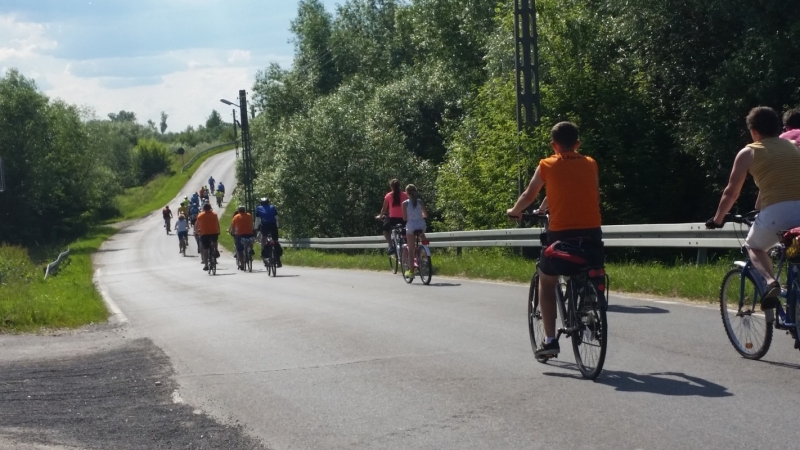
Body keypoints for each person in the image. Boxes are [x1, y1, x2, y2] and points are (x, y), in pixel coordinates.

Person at [507, 121, 602, 358]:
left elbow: (529, 194)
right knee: (588, 265)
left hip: (561, 234)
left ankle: (549, 340)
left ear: (553, 145)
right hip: (592, 233)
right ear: (577, 144)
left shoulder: (547, 164)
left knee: (547, 280)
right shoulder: (590, 163)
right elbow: (587, 193)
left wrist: (515, 211)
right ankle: (587, 295)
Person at [707, 106, 800, 308]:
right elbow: (779, 181)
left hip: (777, 213)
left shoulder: (749, 152)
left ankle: (771, 282)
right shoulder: (794, 146)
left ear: (754, 131)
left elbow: (731, 193)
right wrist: (760, 207)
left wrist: (718, 219)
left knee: (754, 247)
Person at [402, 184, 428, 277]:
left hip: (411, 227)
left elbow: (405, 218)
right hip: (421, 225)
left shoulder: (405, 203)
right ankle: (426, 253)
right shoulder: (420, 201)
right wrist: (420, 216)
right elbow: (426, 215)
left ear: (406, 193)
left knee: (411, 250)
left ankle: (411, 272)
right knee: (422, 236)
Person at [376, 179, 408, 254]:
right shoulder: (405, 195)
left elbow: (384, 209)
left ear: (391, 186)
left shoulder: (388, 196)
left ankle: (391, 246)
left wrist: (380, 216)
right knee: (406, 230)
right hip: (404, 218)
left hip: (393, 219)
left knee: (385, 229)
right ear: (399, 186)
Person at [256, 197, 282, 267]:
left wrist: (256, 227)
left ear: (261, 203)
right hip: (273, 225)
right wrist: (277, 226)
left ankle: (264, 254)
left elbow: (257, 219)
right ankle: (278, 260)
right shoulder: (272, 207)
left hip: (265, 226)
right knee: (275, 241)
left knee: (263, 239)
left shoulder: (259, 208)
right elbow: (276, 218)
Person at [195, 203, 221, 270]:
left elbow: (197, 225)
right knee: (214, 241)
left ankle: (206, 265)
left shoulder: (200, 215)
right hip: (214, 232)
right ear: (210, 208)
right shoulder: (214, 215)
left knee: (205, 249)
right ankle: (215, 250)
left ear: (204, 208)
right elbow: (217, 223)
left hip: (204, 233)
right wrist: (219, 230)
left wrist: (196, 232)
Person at [230, 206, 254, 270]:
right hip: (249, 233)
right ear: (245, 210)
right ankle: (250, 249)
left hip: (240, 234)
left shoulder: (236, 217)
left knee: (239, 250)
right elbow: (252, 224)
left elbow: (233, 226)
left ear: (238, 211)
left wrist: (233, 233)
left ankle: (242, 265)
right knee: (249, 242)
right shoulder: (249, 215)